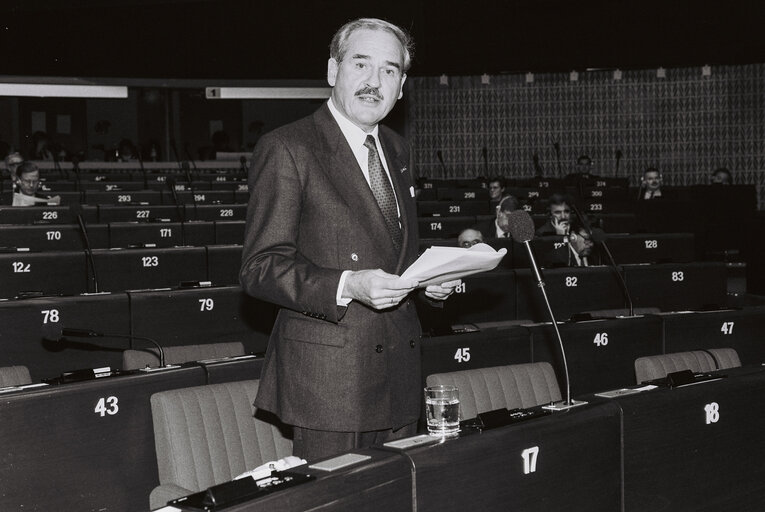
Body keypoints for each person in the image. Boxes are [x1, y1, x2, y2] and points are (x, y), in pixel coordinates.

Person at [240, 18, 460, 462]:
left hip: (400, 372)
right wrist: (348, 285)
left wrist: (430, 282)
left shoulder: (397, 149)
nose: (374, 82)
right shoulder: (288, 147)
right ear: (332, 71)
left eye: (390, 70)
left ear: (401, 87)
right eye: (361, 64)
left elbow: (394, 254)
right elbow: (260, 267)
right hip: (330, 384)